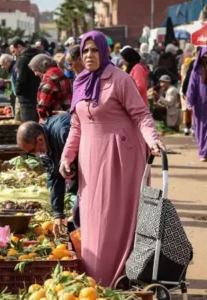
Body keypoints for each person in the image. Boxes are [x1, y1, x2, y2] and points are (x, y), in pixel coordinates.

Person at [59, 31, 165, 287]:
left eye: (94, 50)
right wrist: (67, 156)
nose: (89, 55)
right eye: (85, 51)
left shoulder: (120, 79)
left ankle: (121, 276)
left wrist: (152, 140)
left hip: (121, 157)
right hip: (91, 158)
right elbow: (76, 125)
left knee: (115, 217)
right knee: (93, 216)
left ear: (105, 53)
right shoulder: (80, 82)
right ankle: (96, 276)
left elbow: (141, 114)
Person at [16, 114, 79, 230]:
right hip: (77, 171)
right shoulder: (44, 148)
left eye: (32, 150)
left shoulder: (63, 132)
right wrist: (58, 214)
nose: (35, 153)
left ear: (40, 139)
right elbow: (55, 176)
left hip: (93, 166)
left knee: (79, 212)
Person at [28, 54, 72, 121]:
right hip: (68, 114)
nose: (35, 74)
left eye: (35, 70)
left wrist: (42, 116)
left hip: (56, 118)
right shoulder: (59, 71)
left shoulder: (48, 78)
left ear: (41, 66)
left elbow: (43, 103)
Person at [10, 37, 41, 122]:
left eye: (14, 51)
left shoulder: (22, 59)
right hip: (38, 96)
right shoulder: (37, 55)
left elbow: (21, 79)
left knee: (28, 126)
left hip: (26, 99)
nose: (13, 55)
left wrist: (17, 91)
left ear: (19, 47)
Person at [0, 54, 20, 121]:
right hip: (14, 93)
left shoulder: (14, 68)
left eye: (2, 64)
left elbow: (16, 82)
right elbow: (11, 80)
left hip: (18, 94)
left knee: (17, 112)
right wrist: (8, 93)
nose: (2, 67)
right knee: (13, 108)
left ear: (7, 61)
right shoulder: (11, 68)